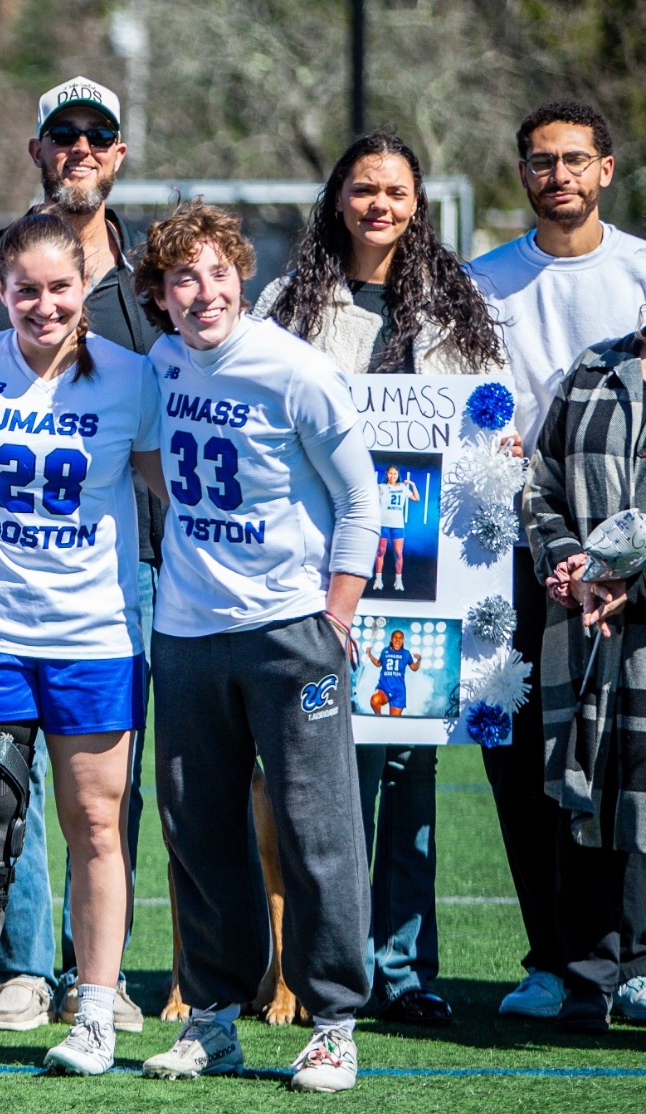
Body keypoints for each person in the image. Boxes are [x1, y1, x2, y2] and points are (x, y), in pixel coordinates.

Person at [254, 129, 511, 1027]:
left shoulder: (456, 304)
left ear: (417, 204)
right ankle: (335, 967)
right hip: (324, 570)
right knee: (330, 776)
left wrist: (501, 441)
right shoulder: (291, 300)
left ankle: (408, 968)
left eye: (396, 191)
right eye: (364, 189)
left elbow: (490, 416)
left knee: (410, 771)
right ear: (336, 198)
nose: (379, 206)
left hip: (425, 574)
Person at [0, 76, 158, 1032]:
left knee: (106, 802)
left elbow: (172, 457)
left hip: (112, 587)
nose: (78, 147)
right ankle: (17, 972)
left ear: (117, 150)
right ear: (37, 150)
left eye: (96, 134)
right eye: (61, 134)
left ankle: (94, 981)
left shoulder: (151, 277)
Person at [134, 203, 377, 1093]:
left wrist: (335, 618)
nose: (204, 293)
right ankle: (213, 1017)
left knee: (318, 829)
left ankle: (336, 1019)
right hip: (189, 631)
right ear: (160, 296)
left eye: (217, 271)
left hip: (289, 634)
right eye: (183, 279)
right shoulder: (162, 361)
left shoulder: (295, 370)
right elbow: (157, 463)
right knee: (199, 831)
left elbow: (363, 501)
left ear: (241, 272)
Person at [467, 98, 646, 1027]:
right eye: (541, 161)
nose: (559, 175)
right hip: (510, 550)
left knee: (626, 759)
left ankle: (629, 956)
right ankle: (550, 957)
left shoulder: (641, 271)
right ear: (521, 172)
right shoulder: (481, 279)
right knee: (524, 758)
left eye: (576, 159)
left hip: (628, 562)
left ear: (606, 170)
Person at [522, 325, 646, 1035]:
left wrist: (637, 581)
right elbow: (539, 483)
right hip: (588, 620)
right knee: (586, 789)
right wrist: (571, 560)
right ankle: (591, 974)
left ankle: (640, 966)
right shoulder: (594, 368)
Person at [373, 467, 421, 591]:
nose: (392, 475)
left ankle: (398, 581)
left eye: (395, 473)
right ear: (387, 474)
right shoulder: (381, 486)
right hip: (383, 523)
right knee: (380, 552)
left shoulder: (402, 487)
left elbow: (416, 498)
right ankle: (378, 579)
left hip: (398, 524)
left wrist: (412, 485)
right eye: (390, 473)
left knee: (399, 554)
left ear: (397, 475)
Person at [369, 632, 417, 716]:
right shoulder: (385, 651)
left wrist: (419, 660)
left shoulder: (406, 653)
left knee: (394, 721)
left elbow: (414, 668)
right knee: (374, 700)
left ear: (403, 640)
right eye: (395, 637)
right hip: (384, 688)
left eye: (400, 638)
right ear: (391, 639)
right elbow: (378, 663)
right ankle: (378, 719)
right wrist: (369, 654)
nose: (398, 640)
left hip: (398, 692)